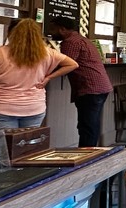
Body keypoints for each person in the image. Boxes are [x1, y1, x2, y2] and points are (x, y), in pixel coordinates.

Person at [0, 18, 78, 131]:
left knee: (5, 147)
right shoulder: (48, 53)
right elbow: (72, 64)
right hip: (35, 109)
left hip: (1, 108)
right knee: (28, 146)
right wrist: (49, 77)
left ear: (12, 33)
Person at [48, 16, 114, 147]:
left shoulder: (70, 42)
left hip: (89, 88)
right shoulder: (83, 40)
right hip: (101, 87)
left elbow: (66, 64)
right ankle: (92, 155)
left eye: (53, 29)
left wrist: (45, 74)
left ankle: (86, 159)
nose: (51, 33)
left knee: (86, 127)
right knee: (91, 125)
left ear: (62, 29)